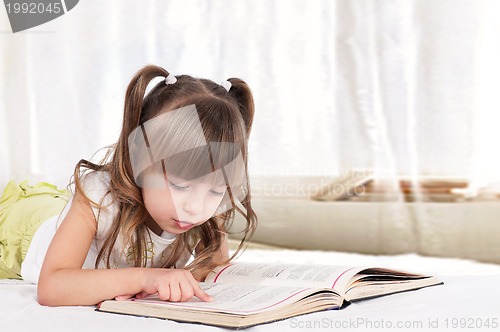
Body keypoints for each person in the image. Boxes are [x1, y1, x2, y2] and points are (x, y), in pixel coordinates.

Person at [0, 65, 257, 306]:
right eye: (179, 186)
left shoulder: (204, 208)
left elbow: (216, 270)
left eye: (215, 190)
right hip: (22, 228)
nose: (195, 209)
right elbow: (51, 287)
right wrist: (144, 278)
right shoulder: (98, 197)